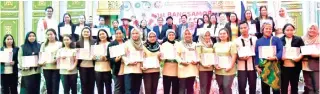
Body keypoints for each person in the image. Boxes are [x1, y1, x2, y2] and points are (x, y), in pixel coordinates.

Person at [255, 22, 283, 94]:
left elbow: (281, 50)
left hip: (274, 66)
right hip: (263, 67)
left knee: (276, 88)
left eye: (270, 29)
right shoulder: (258, 41)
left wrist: (275, 57)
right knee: (265, 88)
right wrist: (256, 66)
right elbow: (257, 54)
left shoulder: (276, 39)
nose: (268, 30)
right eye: (266, 28)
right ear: (262, 30)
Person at [280, 23, 304, 94]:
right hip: (283, 67)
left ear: (294, 31)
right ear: (284, 31)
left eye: (291, 30)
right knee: (284, 86)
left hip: (295, 67)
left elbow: (303, 51)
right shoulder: (279, 40)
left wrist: (299, 57)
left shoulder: (299, 39)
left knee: (294, 86)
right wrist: (281, 57)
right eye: (287, 30)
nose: (289, 31)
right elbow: (277, 51)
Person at [234, 22, 258, 94]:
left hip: (252, 67)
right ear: (239, 29)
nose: (243, 29)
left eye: (245, 27)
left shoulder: (254, 39)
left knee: (253, 86)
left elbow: (257, 52)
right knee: (241, 87)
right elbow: (235, 54)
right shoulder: (236, 41)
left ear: (248, 28)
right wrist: (239, 58)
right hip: (241, 67)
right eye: (241, 28)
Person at [213, 28, 237, 94]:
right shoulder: (215, 45)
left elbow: (234, 56)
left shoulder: (231, 44)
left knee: (226, 86)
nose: (222, 35)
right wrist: (215, 65)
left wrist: (230, 66)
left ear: (227, 35)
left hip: (229, 69)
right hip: (219, 69)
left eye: (224, 33)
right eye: (220, 34)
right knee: (220, 87)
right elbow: (214, 56)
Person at [39, 29, 62, 94]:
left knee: (55, 86)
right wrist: (41, 62)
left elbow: (62, 54)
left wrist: (57, 59)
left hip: (56, 67)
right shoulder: (44, 44)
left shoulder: (59, 44)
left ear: (55, 34)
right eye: (48, 34)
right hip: (46, 67)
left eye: (51, 34)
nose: (49, 36)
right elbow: (41, 54)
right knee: (48, 86)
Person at [178, 29, 199, 94]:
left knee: (190, 87)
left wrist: (196, 61)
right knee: (182, 88)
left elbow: (198, 55)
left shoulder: (195, 44)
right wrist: (181, 61)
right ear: (183, 35)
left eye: (189, 34)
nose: (187, 35)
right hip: (182, 68)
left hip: (192, 68)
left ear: (191, 35)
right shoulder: (179, 44)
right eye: (185, 34)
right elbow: (176, 55)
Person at [122, 28, 143, 94]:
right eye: (133, 33)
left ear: (139, 34)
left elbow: (145, 56)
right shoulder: (127, 43)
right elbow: (123, 55)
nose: (135, 35)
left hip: (138, 70)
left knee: (136, 90)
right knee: (128, 90)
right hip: (129, 70)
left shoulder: (143, 44)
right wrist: (129, 62)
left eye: (136, 33)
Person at [75, 27, 96, 94]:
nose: (86, 33)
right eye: (84, 32)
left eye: (87, 32)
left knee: (91, 83)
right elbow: (76, 54)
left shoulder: (94, 41)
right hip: (82, 65)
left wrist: (95, 56)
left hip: (92, 66)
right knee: (84, 83)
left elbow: (97, 52)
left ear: (90, 33)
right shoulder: (78, 42)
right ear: (82, 33)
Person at [196, 29, 217, 94]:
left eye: (208, 35)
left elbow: (213, 55)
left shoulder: (211, 44)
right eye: (205, 35)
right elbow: (198, 56)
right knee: (203, 86)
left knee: (208, 86)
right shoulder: (199, 45)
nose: (207, 37)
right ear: (202, 36)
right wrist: (203, 64)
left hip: (210, 68)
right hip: (203, 68)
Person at [302, 23, 319, 94]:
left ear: (317, 30)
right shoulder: (302, 39)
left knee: (317, 87)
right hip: (305, 65)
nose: (312, 30)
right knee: (309, 87)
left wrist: (317, 54)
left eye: (314, 29)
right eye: (310, 28)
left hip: (317, 66)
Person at [95, 29, 112, 94]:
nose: (102, 35)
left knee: (108, 88)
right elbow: (92, 56)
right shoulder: (96, 44)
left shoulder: (110, 44)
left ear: (106, 35)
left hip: (108, 69)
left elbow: (113, 56)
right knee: (99, 88)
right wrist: (100, 57)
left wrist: (106, 58)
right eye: (100, 34)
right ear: (98, 36)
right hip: (98, 69)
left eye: (103, 34)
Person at [108, 29, 126, 94]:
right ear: (115, 35)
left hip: (127, 68)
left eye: (120, 33)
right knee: (118, 87)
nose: (118, 35)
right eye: (117, 33)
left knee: (125, 87)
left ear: (123, 34)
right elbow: (109, 57)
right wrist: (115, 60)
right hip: (117, 68)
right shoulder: (111, 44)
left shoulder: (126, 43)